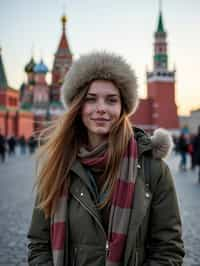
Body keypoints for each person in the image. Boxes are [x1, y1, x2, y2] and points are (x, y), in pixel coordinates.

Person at [27, 51, 185, 266]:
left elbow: (168, 249)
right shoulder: (56, 166)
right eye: (90, 99)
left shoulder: (152, 169)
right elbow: (39, 244)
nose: (101, 108)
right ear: (77, 106)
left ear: (122, 108)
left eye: (111, 100)